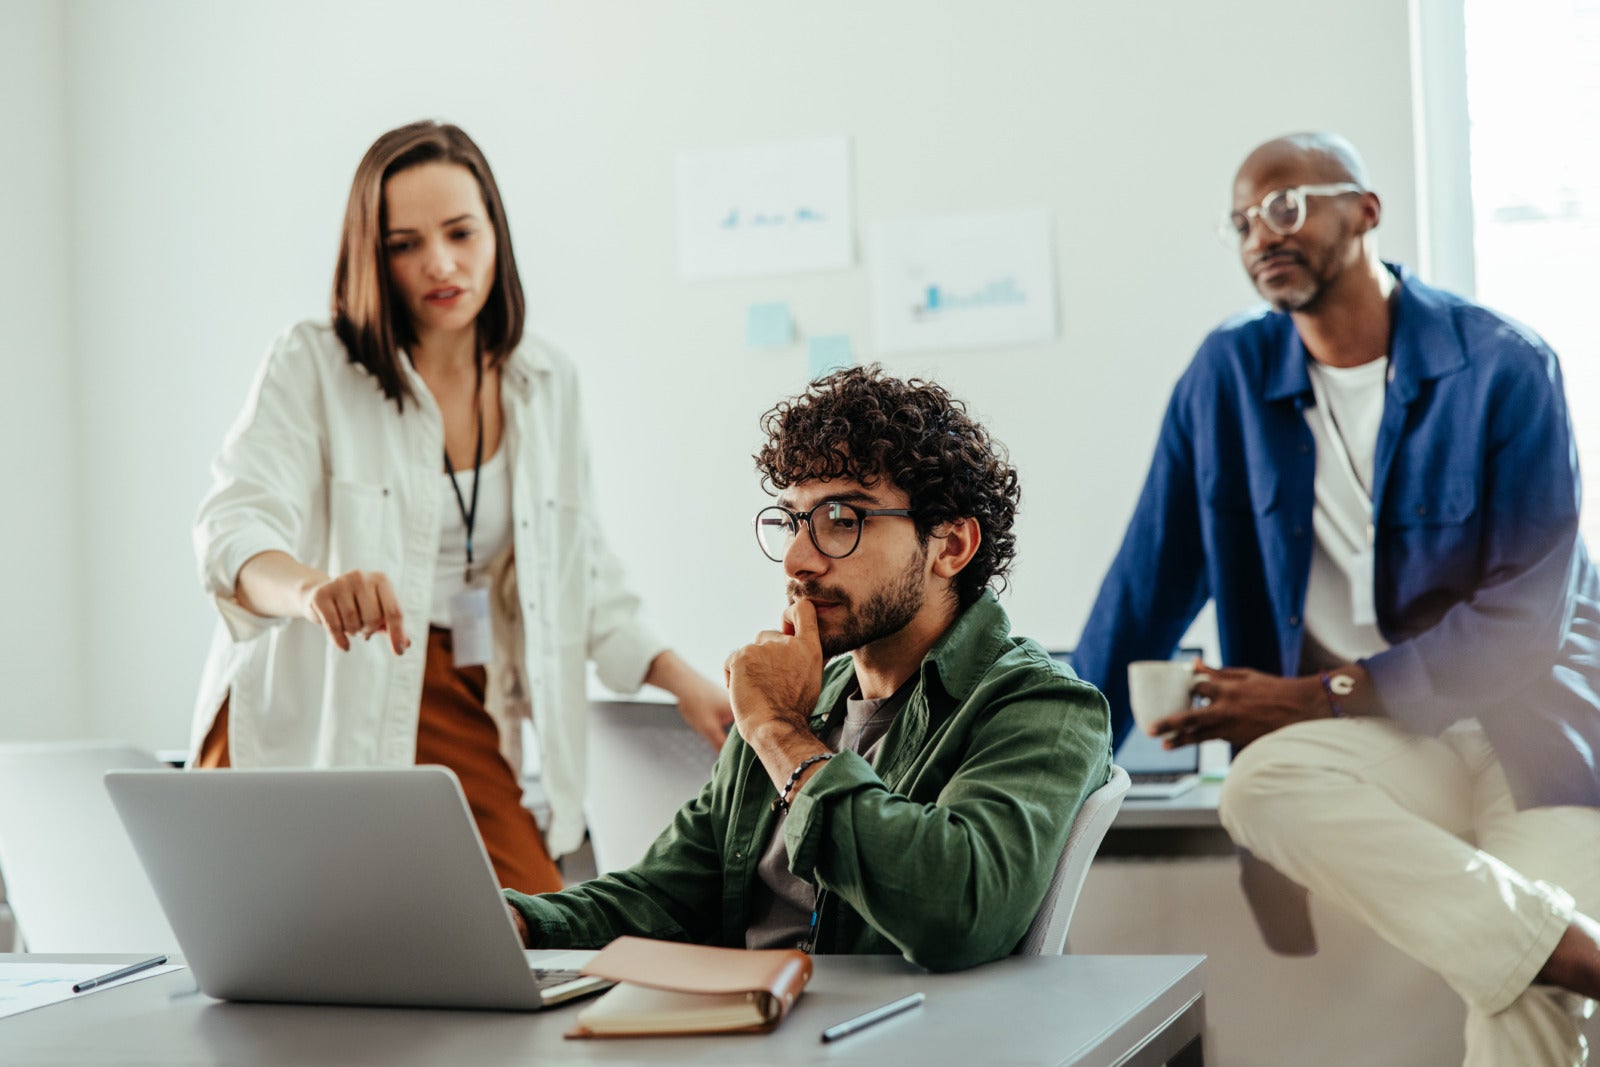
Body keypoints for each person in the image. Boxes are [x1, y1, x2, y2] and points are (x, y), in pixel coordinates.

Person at [1072, 132, 1600, 1063]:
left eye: (1285, 204)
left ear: (1365, 210)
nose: (1260, 234)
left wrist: (1317, 695)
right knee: (1262, 782)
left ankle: (1553, 959)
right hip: (1391, 742)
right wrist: (1053, 787)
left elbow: (1527, 625)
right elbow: (1142, 591)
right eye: (1241, 221)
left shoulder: (1507, 366)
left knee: (1523, 1007)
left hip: (1540, 730)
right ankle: (1571, 950)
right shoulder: (1226, 378)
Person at [190, 120, 731, 895]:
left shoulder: (546, 381)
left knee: (531, 927)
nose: (439, 264)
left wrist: (683, 681)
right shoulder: (311, 361)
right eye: (404, 243)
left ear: (495, 234)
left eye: (459, 232)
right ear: (372, 257)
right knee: (297, 952)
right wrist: (313, 590)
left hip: (454, 687)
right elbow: (232, 530)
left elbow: (583, 564)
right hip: (316, 694)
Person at [504, 366, 1111, 970]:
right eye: (793, 521)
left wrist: (780, 737)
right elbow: (666, 895)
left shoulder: (1044, 707)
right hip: (750, 1033)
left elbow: (959, 911)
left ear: (950, 547)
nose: (798, 558)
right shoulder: (796, 694)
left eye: (841, 520)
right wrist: (523, 922)